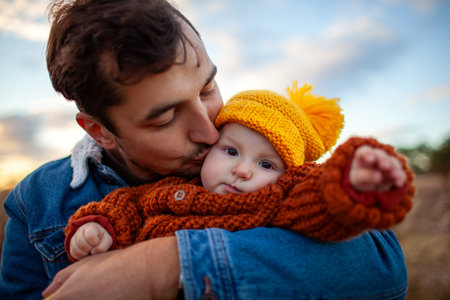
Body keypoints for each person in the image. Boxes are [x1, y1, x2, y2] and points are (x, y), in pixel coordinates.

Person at [0, 0, 413, 299]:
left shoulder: (269, 167)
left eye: (208, 88)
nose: (209, 131)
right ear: (100, 131)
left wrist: (164, 265)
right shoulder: (37, 201)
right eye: (165, 118)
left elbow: (381, 266)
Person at [65, 82, 413, 262]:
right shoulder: (171, 186)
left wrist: (352, 183)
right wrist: (99, 227)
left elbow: (318, 204)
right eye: (230, 151)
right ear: (211, 147)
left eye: (266, 164)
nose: (242, 171)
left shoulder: (275, 201)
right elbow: (127, 204)